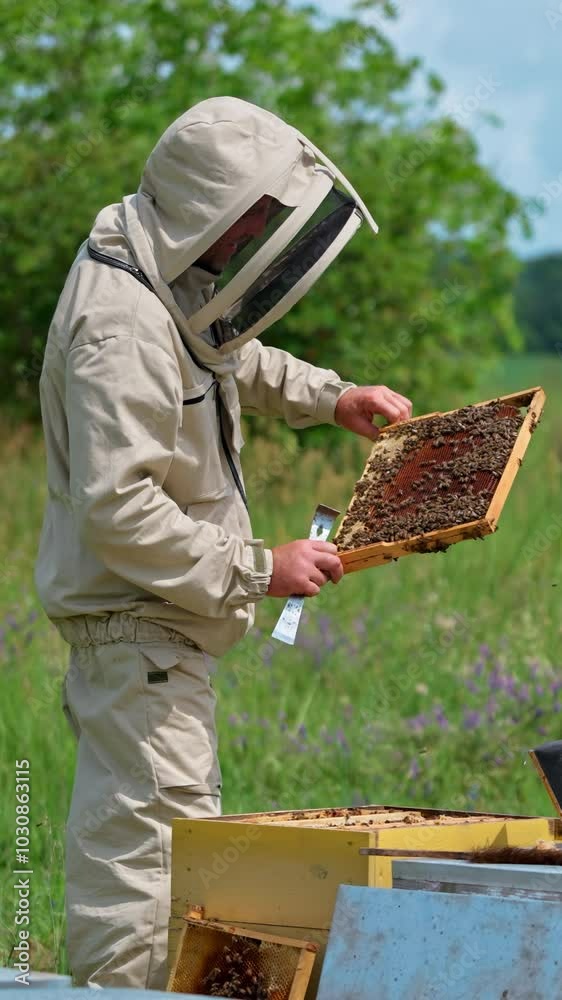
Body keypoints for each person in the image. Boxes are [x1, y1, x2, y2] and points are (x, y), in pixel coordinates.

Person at [35, 96, 412, 990]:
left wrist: (334, 395)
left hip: (157, 644)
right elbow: (117, 510)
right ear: (207, 207)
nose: (262, 233)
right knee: (147, 881)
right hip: (141, 641)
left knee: (166, 865)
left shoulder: (167, 278)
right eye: (254, 214)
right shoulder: (118, 327)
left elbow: (228, 352)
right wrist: (260, 567)